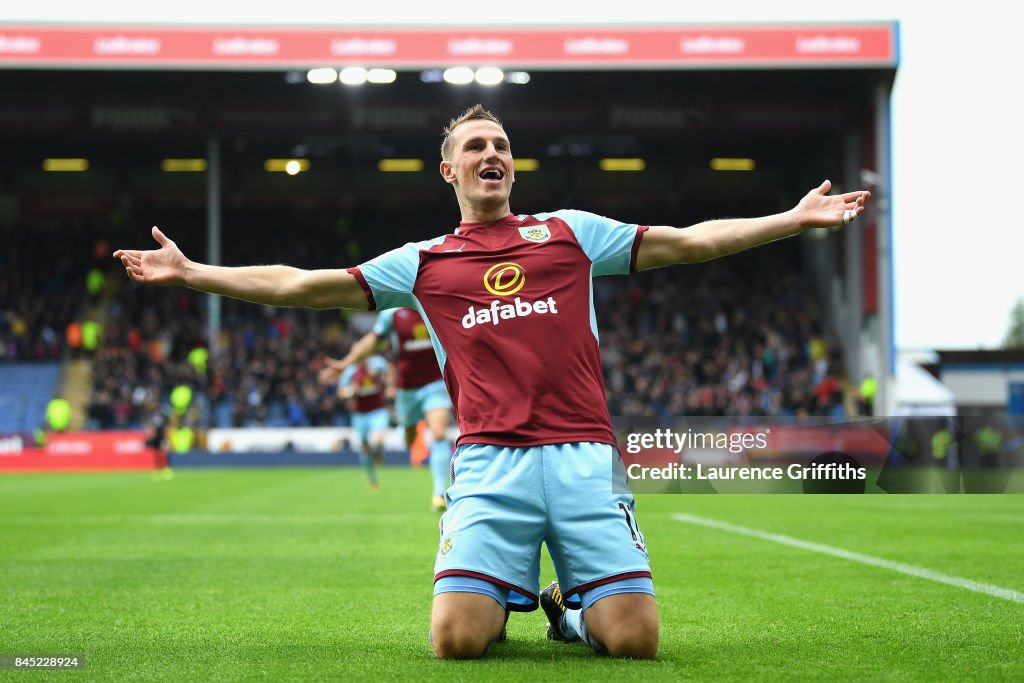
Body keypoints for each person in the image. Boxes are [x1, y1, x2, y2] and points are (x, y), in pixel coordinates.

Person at [114, 103, 870, 660]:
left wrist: (792, 220)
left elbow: (690, 241)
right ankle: (501, 600)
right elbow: (296, 285)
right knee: (455, 640)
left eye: (501, 145)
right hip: (489, 464)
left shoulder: (571, 234)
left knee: (635, 640)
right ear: (450, 169)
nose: (491, 153)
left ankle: (564, 611)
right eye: (475, 145)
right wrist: (191, 273)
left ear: (513, 165)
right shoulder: (422, 262)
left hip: (583, 460)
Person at [320, 307, 454, 511]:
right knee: (409, 438)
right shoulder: (392, 314)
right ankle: (406, 433)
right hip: (407, 390)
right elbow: (371, 340)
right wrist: (345, 364)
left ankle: (438, 494)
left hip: (435, 383)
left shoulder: (434, 302)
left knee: (438, 434)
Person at [337, 354, 392, 491]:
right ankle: (372, 479)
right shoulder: (350, 371)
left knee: (379, 440)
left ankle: (379, 451)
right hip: (360, 414)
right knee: (365, 448)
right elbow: (341, 392)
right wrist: (351, 391)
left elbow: (390, 370)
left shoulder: (378, 363)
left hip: (378, 411)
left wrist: (390, 386)